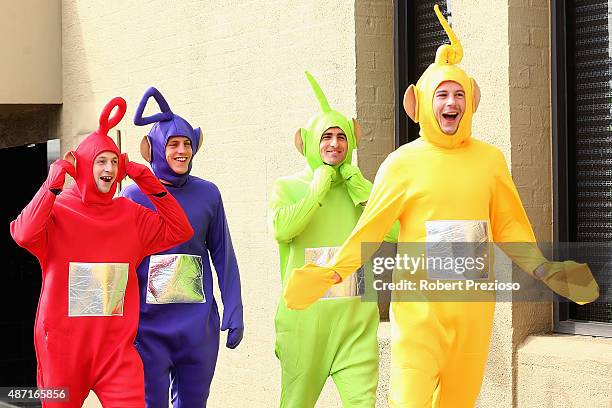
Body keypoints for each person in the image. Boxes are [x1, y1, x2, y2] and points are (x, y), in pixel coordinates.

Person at [283, 6, 599, 408]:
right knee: (409, 401)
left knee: (458, 403)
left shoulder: (490, 161)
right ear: (420, 104)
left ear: (472, 102)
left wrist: (544, 269)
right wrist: (330, 273)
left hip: (473, 313)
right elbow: (370, 229)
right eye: (442, 94)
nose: (451, 103)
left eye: (459, 94)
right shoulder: (402, 164)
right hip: (419, 314)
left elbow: (510, 227)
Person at [10, 97, 193, 407]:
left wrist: (144, 177)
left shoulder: (131, 215)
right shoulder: (58, 211)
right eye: (100, 161)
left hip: (115, 352)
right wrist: (52, 182)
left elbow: (180, 230)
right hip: (62, 350)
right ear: (83, 165)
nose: (109, 168)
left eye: (113, 161)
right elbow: (23, 233)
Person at [271, 72, 397, 408]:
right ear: (308, 142)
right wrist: (318, 188)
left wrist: (359, 188)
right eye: (326, 136)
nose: (334, 144)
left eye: (342, 137)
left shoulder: (361, 191)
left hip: (354, 325)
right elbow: (283, 230)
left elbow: (397, 231)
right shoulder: (288, 188)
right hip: (304, 327)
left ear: (352, 141)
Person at [121, 87, 243, 408]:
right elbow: (119, 263)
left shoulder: (208, 194)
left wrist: (233, 306)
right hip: (148, 331)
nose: (181, 151)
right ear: (155, 149)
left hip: (198, 329)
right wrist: (114, 323)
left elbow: (223, 255)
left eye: (187, 143)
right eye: (173, 143)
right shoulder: (132, 197)